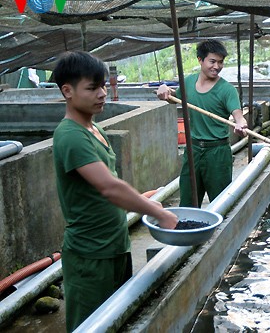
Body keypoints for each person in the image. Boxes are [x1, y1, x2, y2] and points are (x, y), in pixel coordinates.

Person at [52, 51, 179, 332]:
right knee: (90, 325)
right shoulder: (71, 135)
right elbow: (109, 187)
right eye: (92, 88)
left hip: (115, 245)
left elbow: (109, 183)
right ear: (67, 91)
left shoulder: (93, 128)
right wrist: (159, 212)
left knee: (117, 319)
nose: (102, 93)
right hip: (90, 255)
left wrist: (142, 205)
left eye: (103, 86)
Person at [156, 40, 248, 205]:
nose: (217, 66)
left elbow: (238, 115)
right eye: (212, 61)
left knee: (221, 204)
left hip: (217, 153)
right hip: (193, 151)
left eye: (220, 62)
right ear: (200, 60)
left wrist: (240, 123)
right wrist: (165, 90)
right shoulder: (188, 83)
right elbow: (173, 98)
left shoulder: (227, 90)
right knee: (188, 202)